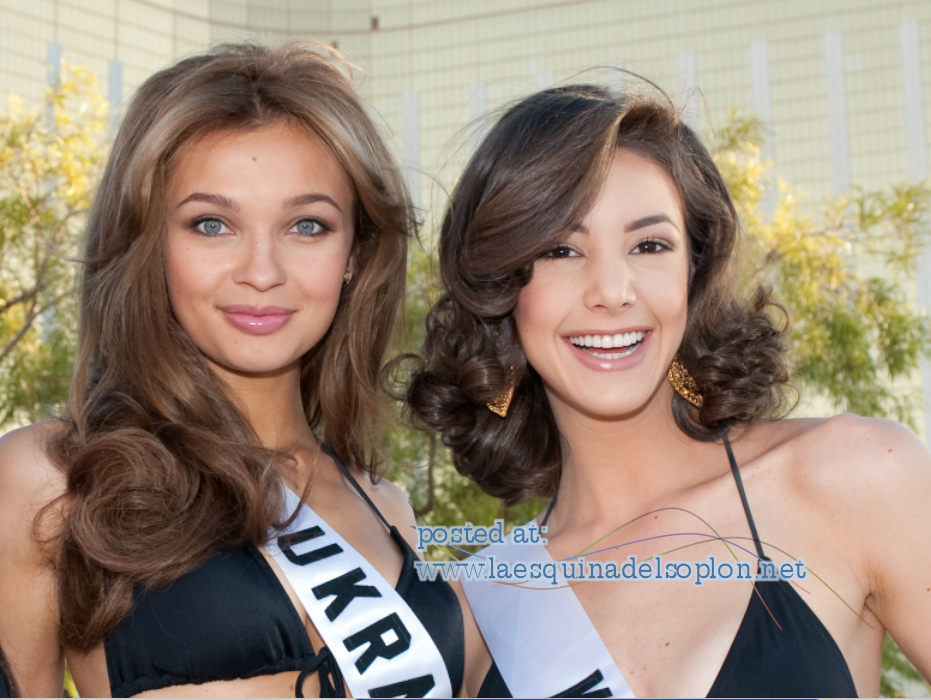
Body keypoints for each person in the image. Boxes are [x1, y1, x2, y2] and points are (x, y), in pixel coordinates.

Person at [406, 84, 931, 697]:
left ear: (693, 271)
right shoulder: (475, 614)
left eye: (649, 245)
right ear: (500, 287)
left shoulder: (850, 479)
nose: (612, 291)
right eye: (560, 249)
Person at [0, 42, 466, 698]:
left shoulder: (388, 508)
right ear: (150, 244)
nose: (261, 272)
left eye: (307, 226)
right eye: (212, 224)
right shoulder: (51, 481)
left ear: (355, 255)